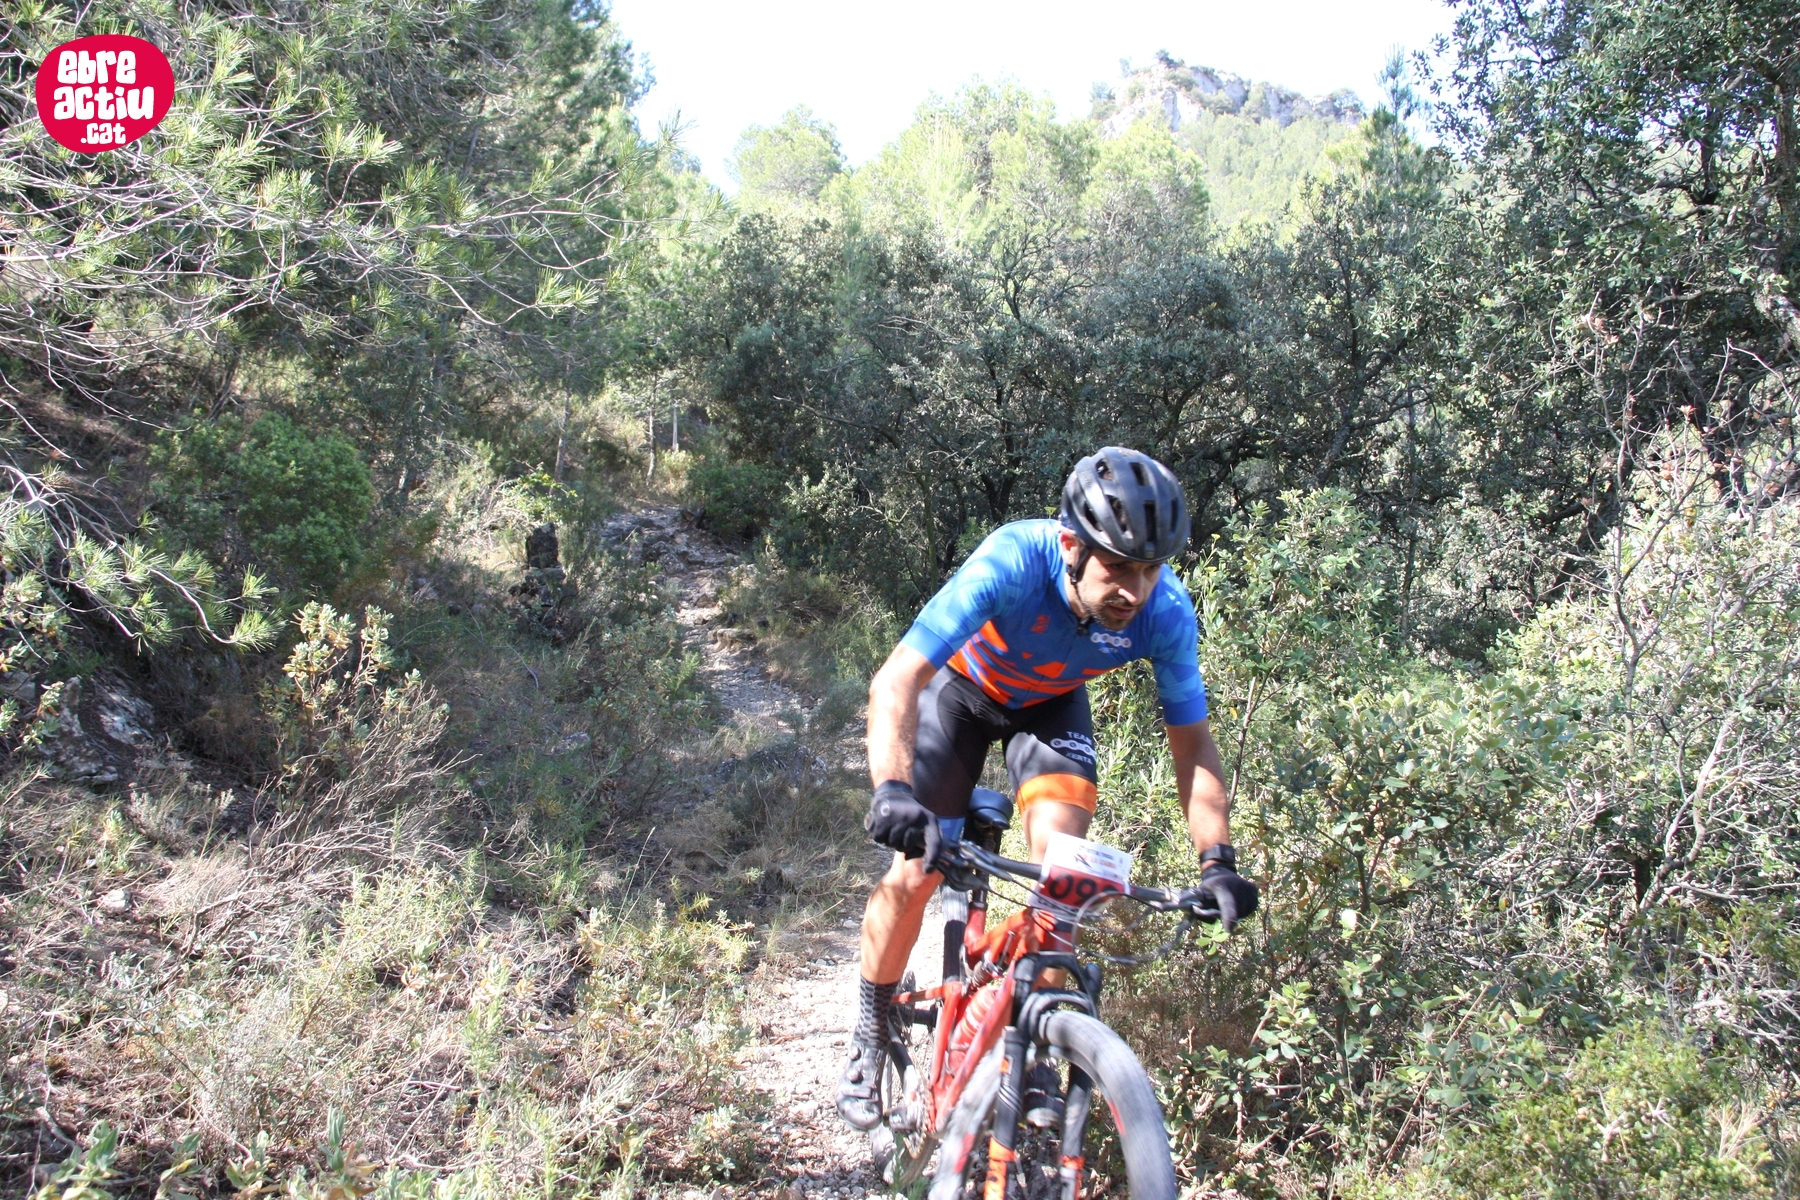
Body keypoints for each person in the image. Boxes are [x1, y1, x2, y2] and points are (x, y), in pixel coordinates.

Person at [836, 446, 1260, 1132]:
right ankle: (871, 1025)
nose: (1136, 591)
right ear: (1071, 547)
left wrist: (1218, 861)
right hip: (960, 693)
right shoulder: (1013, 560)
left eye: (1151, 569)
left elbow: (1193, 745)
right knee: (915, 873)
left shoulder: (1165, 611)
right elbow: (898, 679)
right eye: (1118, 567)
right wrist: (892, 790)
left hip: (1050, 709)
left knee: (1065, 880)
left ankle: (1031, 1041)